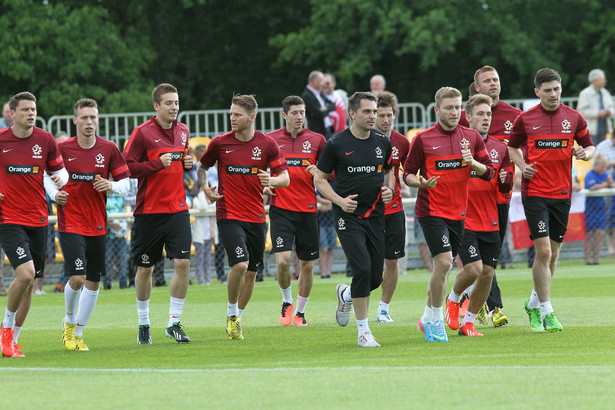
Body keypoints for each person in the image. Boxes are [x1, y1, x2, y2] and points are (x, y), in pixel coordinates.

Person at [403, 86, 494, 342]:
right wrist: (421, 183)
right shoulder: (423, 139)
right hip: (431, 209)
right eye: (448, 108)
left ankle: (425, 318)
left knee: (448, 267)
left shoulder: (472, 137)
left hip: (458, 213)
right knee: (443, 263)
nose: (454, 112)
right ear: (437, 110)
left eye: (457, 107)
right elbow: (407, 173)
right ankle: (434, 319)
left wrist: (472, 163)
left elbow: (489, 172)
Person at [508, 68, 595, 332]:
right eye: (547, 90)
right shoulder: (526, 119)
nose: (553, 94)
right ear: (537, 92)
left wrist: (584, 153)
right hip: (535, 193)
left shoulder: (574, 117)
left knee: (553, 255)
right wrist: (523, 166)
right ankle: (547, 311)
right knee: (543, 251)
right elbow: (512, 147)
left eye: (556, 89)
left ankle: (533, 303)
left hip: (562, 193)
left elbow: (590, 147)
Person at [199, 94, 289, 340]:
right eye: (231, 114)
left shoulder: (267, 144)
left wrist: (271, 181)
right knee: (240, 264)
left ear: (251, 117)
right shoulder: (219, 143)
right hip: (228, 213)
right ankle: (230, 314)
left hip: (257, 215)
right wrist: (205, 187)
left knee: (252, 272)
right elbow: (202, 166)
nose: (232, 118)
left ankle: (237, 317)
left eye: (237, 115)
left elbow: (285, 178)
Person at [45, 98, 130, 351]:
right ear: (75, 121)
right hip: (70, 222)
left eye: (93, 117)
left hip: (97, 224)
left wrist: (111, 185)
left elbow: (126, 182)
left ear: (98, 120)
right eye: (84, 118)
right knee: (79, 277)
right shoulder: (62, 149)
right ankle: (69, 323)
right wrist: (54, 195)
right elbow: (45, 176)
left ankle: (78, 333)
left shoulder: (109, 149)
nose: (89, 122)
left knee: (94, 281)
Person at [314, 91, 395, 348]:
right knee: (361, 268)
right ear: (352, 113)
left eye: (375, 111)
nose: (373, 116)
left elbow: (390, 171)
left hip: (376, 215)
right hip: (347, 216)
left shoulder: (383, 142)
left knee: (374, 277)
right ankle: (364, 332)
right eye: (367, 112)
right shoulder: (335, 144)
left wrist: (389, 189)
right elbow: (319, 179)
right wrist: (338, 201)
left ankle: (346, 293)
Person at [123, 83, 194, 344]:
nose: (174, 107)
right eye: (169, 103)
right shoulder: (142, 133)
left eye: (176, 102)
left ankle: (174, 322)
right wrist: (155, 164)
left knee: (183, 263)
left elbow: (183, 160)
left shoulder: (184, 130)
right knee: (145, 269)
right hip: (149, 212)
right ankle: (144, 324)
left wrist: (189, 164)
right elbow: (127, 167)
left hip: (177, 209)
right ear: (156, 106)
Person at [0, 92, 68, 358]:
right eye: (25, 109)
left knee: (30, 283)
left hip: (39, 218)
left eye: (34, 109)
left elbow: (57, 173)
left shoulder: (46, 140)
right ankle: (5, 332)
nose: (31, 113)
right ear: (12, 114)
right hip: (9, 219)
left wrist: (60, 188)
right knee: (26, 274)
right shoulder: (1, 140)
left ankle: (13, 340)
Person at [444, 94, 512, 337]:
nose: (486, 118)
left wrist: (506, 181)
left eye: (489, 114)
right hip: (463, 217)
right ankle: (453, 299)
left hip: (490, 218)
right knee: (473, 269)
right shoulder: (454, 143)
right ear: (468, 117)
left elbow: (503, 186)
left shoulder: (500, 148)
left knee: (487, 273)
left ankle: (468, 323)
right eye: (481, 114)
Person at [459, 66, 522, 327]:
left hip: (501, 199)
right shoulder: (463, 118)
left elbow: (519, 151)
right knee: (481, 262)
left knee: (490, 259)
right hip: (471, 201)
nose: (493, 84)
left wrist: (517, 174)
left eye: (495, 79)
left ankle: (470, 298)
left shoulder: (515, 117)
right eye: (487, 81)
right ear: (477, 87)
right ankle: (493, 307)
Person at [266, 96, 326, 326]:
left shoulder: (317, 140)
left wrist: (318, 172)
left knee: (307, 265)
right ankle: (286, 301)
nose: (299, 117)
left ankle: (300, 312)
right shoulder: (271, 140)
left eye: (302, 112)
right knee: (283, 262)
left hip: (308, 210)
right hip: (281, 209)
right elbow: (261, 171)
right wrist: (267, 184)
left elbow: (329, 172)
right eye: (294, 113)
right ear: (284, 115)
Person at [373, 91, 409, 323]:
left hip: (394, 210)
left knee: (392, 261)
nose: (386, 120)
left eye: (390, 115)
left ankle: (383, 308)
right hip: (368, 212)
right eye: (381, 115)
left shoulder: (402, 143)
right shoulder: (363, 140)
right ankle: (349, 294)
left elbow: (411, 170)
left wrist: (411, 183)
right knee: (369, 265)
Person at [583, 155, 612, 265]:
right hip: (590, 210)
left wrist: (609, 184)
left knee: (600, 234)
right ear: (595, 165)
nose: (603, 169)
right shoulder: (590, 175)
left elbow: (611, 184)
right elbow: (592, 187)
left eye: (605, 167)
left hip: (601, 209)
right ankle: (587, 260)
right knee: (589, 235)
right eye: (602, 167)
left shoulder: (604, 175)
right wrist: (606, 184)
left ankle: (596, 259)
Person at [577, 69, 614, 145]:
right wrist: (598, 113)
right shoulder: (585, 93)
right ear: (594, 81)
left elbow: (612, 107)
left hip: (605, 129)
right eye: (602, 79)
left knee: (602, 153)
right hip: (591, 131)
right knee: (592, 153)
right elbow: (581, 112)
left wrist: (610, 112)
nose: (604, 81)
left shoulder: (605, 92)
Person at [104, 192, 130, 290]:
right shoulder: (103, 196)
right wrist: (110, 224)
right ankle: (107, 284)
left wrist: (126, 222)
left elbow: (123, 212)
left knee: (122, 260)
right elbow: (101, 213)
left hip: (120, 235)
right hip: (108, 235)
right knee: (107, 261)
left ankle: (123, 284)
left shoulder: (118, 196)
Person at [192, 181, 215, 285]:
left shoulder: (212, 201)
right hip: (200, 236)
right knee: (199, 259)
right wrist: (201, 194)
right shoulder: (196, 200)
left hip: (209, 234)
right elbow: (203, 208)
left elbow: (214, 208)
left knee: (208, 259)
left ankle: (208, 280)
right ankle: (201, 280)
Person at [301, 71, 336, 138]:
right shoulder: (306, 96)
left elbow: (333, 105)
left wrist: (324, 109)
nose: (323, 84)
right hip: (317, 132)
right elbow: (318, 113)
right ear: (315, 81)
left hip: (327, 131)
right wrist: (325, 109)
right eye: (322, 81)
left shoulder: (320, 93)